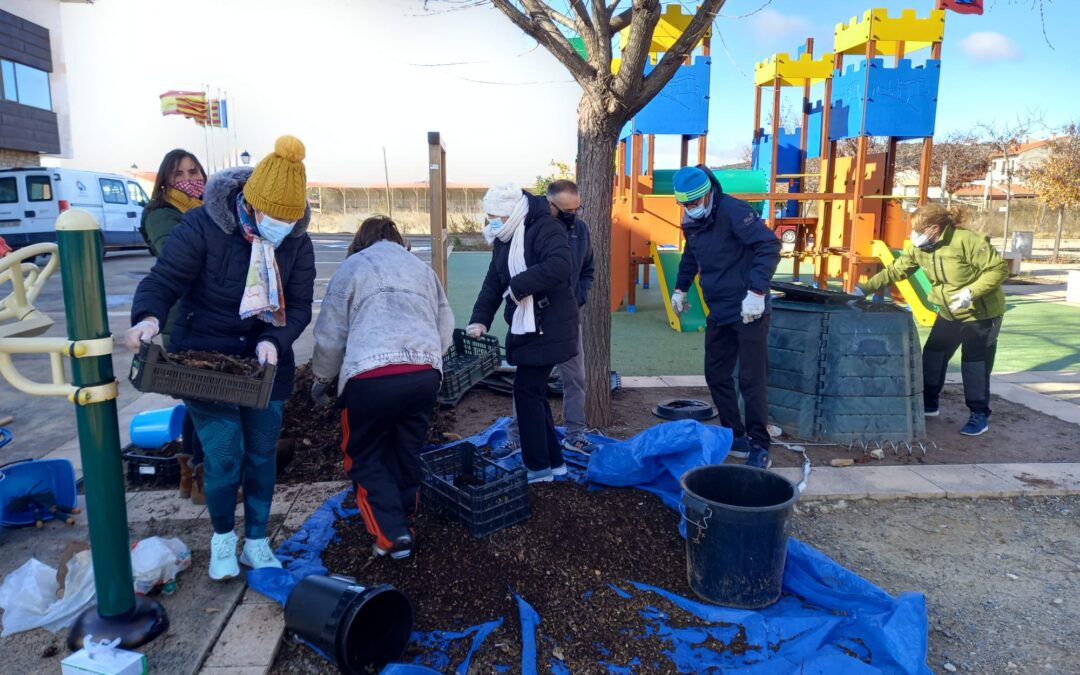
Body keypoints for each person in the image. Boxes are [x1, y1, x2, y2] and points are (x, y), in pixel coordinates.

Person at [126, 136, 316, 580]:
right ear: (250, 204)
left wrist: (275, 338)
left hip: (266, 362)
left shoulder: (296, 241)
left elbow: (301, 305)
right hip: (205, 357)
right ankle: (222, 540)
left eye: (290, 220)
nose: (281, 228)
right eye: (274, 217)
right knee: (225, 451)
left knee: (262, 452)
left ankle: (256, 540)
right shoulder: (202, 228)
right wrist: (147, 318)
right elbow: (165, 279)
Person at [309, 216, 454, 560]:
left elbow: (331, 334)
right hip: (423, 375)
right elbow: (445, 326)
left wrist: (322, 379)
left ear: (360, 240)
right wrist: (429, 359)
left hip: (370, 378)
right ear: (399, 240)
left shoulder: (353, 267)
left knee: (364, 453)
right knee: (405, 450)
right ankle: (404, 519)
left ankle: (391, 534)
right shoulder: (422, 270)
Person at [858, 204, 1007, 436]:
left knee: (974, 363)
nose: (913, 235)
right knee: (933, 354)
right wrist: (863, 289)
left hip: (981, 314)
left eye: (918, 229)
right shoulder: (922, 248)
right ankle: (929, 403)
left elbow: (997, 269)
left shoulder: (967, 241)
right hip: (949, 312)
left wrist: (971, 292)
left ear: (934, 228)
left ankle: (979, 414)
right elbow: (896, 270)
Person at [669, 165, 781, 469]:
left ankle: (760, 444)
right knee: (716, 374)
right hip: (718, 308)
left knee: (751, 378)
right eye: (685, 205)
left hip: (748, 307)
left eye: (694, 203)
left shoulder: (734, 211)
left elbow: (768, 245)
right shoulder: (692, 221)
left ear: (706, 194)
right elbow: (691, 254)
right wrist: (680, 288)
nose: (690, 210)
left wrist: (757, 292)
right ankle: (736, 435)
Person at [467, 184, 577, 483]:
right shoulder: (505, 236)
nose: (491, 220)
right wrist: (480, 320)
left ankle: (538, 467)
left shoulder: (545, 228)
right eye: (488, 215)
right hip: (529, 325)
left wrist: (518, 286)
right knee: (534, 394)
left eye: (495, 215)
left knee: (527, 392)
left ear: (511, 212)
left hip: (549, 323)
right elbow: (494, 281)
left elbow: (560, 265)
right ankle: (553, 463)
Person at [493, 180, 596, 459]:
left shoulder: (581, 230)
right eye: (566, 209)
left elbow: (587, 269)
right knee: (527, 384)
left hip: (566, 318)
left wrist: (578, 297)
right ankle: (517, 438)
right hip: (534, 320)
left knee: (575, 377)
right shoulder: (528, 230)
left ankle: (575, 435)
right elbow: (502, 274)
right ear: (550, 204)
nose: (572, 215)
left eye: (577, 208)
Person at [140, 148, 209, 504]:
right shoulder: (161, 214)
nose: (189, 178)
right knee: (200, 400)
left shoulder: (204, 208)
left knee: (197, 400)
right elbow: (175, 255)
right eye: (180, 172)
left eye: (194, 170)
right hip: (182, 319)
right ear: (166, 180)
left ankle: (188, 476)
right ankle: (199, 478)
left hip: (206, 315)